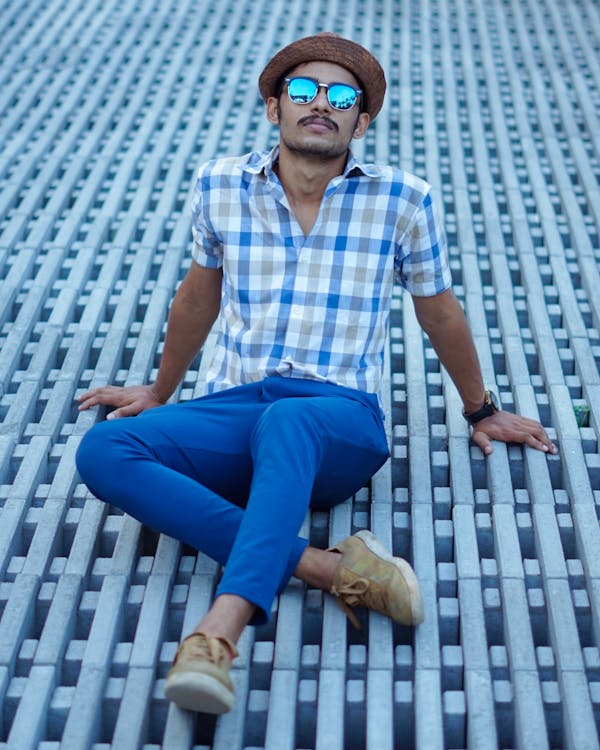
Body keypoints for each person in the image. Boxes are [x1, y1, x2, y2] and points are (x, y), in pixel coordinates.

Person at [75, 33, 557, 715]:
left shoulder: (403, 200)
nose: (320, 105)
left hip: (339, 421)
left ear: (362, 121)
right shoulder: (220, 184)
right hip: (237, 404)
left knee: (291, 415)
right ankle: (327, 567)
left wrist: (482, 411)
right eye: (303, 92)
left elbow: (440, 314)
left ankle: (218, 636)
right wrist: (159, 391)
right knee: (103, 449)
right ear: (275, 108)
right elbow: (198, 294)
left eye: (341, 96)